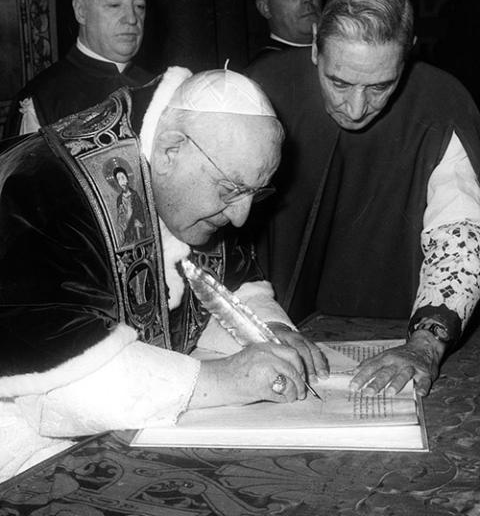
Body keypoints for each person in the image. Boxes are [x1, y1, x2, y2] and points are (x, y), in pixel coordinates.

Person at [0, 66, 327, 483]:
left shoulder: (200, 165)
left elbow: (227, 286)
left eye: (254, 193)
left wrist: (271, 331)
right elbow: (58, 384)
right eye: (231, 190)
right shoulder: (48, 187)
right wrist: (224, 379)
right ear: (171, 151)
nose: (242, 216)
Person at [246, 0, 480, 400]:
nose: (355, 108)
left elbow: (459, 233)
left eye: (379, 86)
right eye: (338, 82)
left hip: (402, 325)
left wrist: (425, 345)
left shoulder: (442, 102)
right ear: (316, 44)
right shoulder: (261, 88)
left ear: (407, 56)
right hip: (275, 322)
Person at [4, 0, 153, 138]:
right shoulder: (43, 100)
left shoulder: (160, 87)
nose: (131, 18)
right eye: (114, 5)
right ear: (81, 12)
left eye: (140, 6)